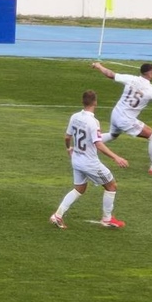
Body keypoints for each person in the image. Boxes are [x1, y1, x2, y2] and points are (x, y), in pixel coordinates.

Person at [50, 90, 129, 229]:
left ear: (83, 102)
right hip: (90, 163)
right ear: (95, 102)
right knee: (111, 186)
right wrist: (116, 157)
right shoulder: (93, 122)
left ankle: (58, 215)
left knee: (79, 188)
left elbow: (67, 137)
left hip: (76, 159)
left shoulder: (74, 117)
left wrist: (69, 149)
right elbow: (98, 144)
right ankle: (107, 219)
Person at [90, 61, 152, 175]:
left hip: (116, 114)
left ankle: (87, 142)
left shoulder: (130, 79)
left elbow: (110, 74)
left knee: (113, 135)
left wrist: (99, 66)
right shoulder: (151, 89)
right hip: (126, 120)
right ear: (150, 73)